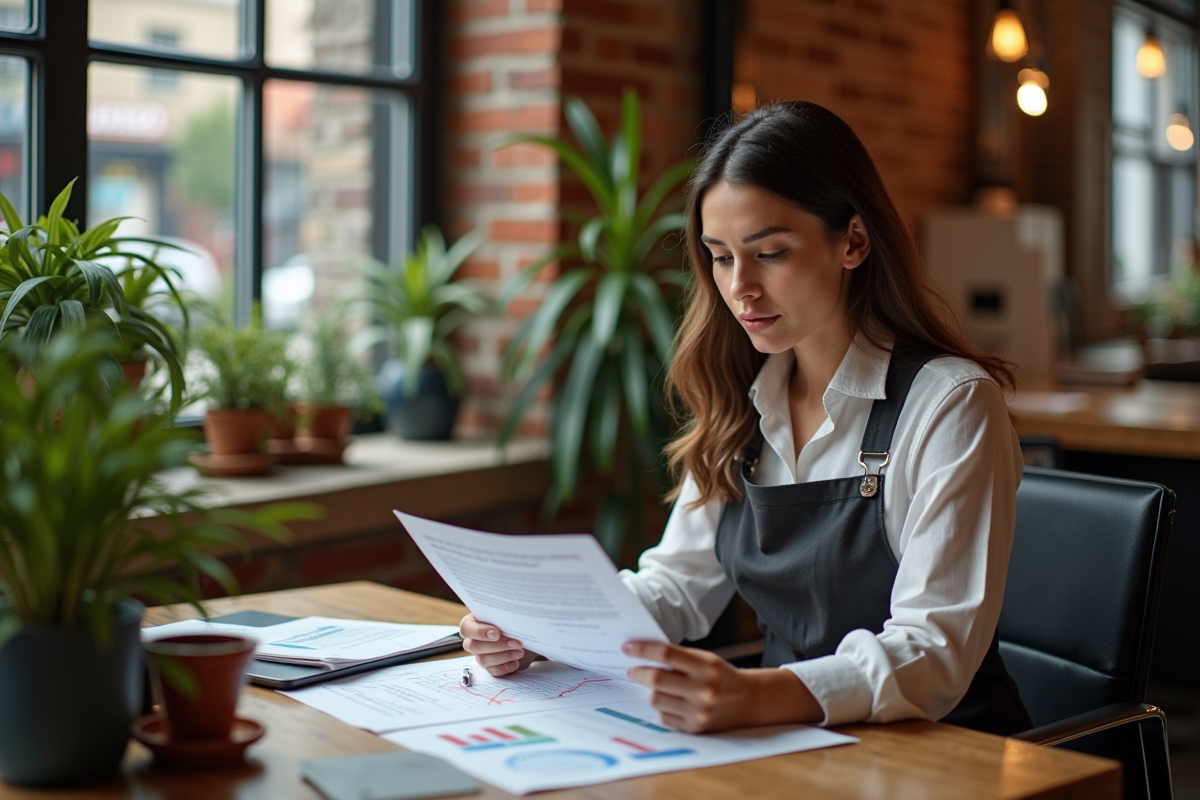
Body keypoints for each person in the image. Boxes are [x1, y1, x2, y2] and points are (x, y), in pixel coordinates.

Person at [459, 101, 1032, 736]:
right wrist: (538, 628)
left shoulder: (949, 404)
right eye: (721, 257)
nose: (740, 288)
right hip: (792, 746)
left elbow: (935, 651)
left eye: (771, 253)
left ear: (853, 241)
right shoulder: (742, 401)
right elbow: (676, 588)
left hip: (941, 754)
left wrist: (759, 698)